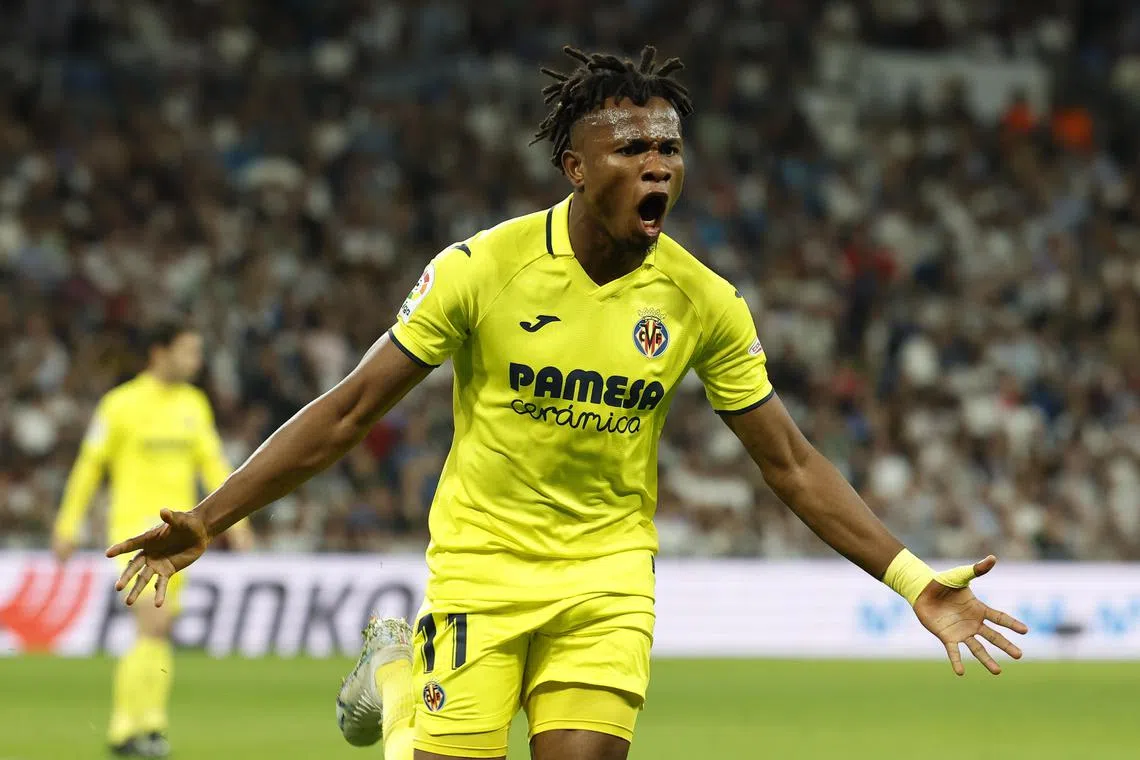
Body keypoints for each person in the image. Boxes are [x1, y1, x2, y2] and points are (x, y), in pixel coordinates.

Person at [106, 47, 1028, 760]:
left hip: (607, 582)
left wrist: (914, 579)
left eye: (669, 148)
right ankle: (396, 679)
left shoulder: (703, 299)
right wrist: (211, 518)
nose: (657, 164)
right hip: (481, 570)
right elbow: (349, 412)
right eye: (631, 148)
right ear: (574, 167)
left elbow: (788, 461)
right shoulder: (481, 269)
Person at [53, 318, 253, 758]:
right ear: (159, 353)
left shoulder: (194, 404)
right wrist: (68, 525)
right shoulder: (119, 405)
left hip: (179, 537)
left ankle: (148, 727)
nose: (196, 361)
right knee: (152, 624)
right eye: (188, 351)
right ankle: (129, 728)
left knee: (159, 630)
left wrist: (237, 522)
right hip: (134, 531)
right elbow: (89, 468)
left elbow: (215, 466)